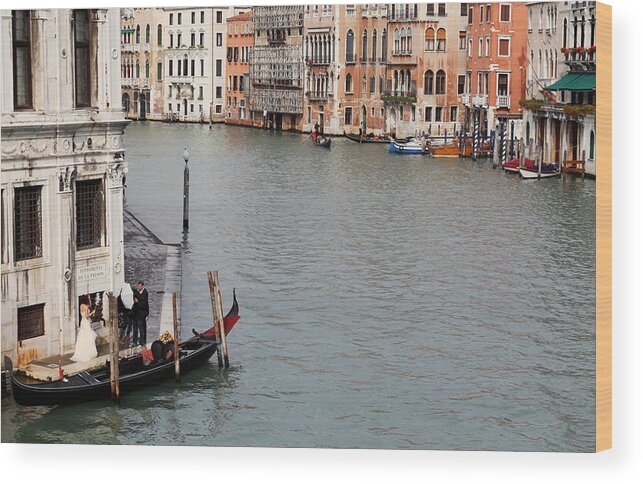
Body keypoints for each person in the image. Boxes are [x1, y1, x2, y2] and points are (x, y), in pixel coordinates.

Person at [71, 297, 98, 362]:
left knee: (83, 336)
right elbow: (86, 316)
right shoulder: (86, 307)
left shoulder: (81, 306)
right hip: (86, 322)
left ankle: (82, 351)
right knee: (88, 336)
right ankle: (89, 352)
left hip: (82, 322)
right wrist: (92, 313)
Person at [132, 280, 149, 347]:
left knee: (141, 327)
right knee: (135, 327)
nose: (138, 287)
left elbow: (143, 304)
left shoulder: (145, 293)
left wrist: (137, 302)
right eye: (138, 286)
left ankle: (142, 341)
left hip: (142, 313)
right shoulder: (137, 293)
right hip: (137, 313)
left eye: (139, 286)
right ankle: (135, 341)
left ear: (142, 286)